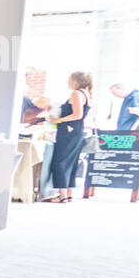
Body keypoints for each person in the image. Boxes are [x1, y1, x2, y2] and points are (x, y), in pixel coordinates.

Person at [42, 71, 92, 203]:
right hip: (76, 131)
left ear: (75, 80)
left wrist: (58, 120)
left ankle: (62, 194)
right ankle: (68, 194)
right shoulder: (86, 94)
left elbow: (77, 115)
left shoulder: (76, 94)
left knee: (60, 161)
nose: (67, 82)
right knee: (71, 162)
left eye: (69, 79)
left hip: (69, 131)